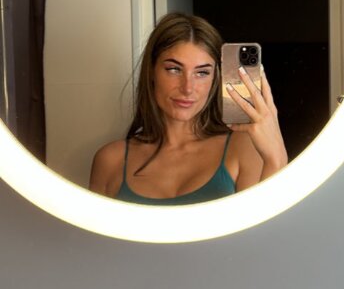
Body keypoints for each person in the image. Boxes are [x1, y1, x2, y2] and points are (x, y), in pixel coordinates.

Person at [89, 12, 288, 204]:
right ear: (151, 71)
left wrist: (276, 158)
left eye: (202, 73)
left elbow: (270, 225)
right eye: (174, 69)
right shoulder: (110, 161)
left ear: (215, 78)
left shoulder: (243, 148)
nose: (187, 88)